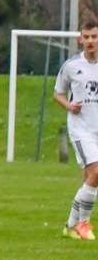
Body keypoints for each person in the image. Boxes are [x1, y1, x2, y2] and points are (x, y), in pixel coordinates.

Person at [53, 20, 98, 241]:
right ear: (81, 39)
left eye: (94, 36)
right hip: (81, 130)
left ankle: (70, 224)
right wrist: (69, 106)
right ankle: (83, 224)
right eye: (87, 37)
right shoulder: (71, 66)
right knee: (97, 173)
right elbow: (57, 93)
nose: (90, 41)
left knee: (89, 178)